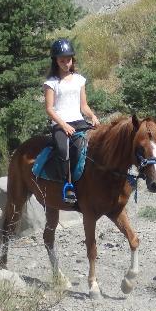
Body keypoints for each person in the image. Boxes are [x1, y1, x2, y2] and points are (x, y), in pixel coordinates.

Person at [44, 38, 99, 204]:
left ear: (72, 59)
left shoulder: (79, 79)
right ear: (56, 60)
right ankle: (67, 185)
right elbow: (49, 109)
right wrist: (63, 125)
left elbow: (84, 106)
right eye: (62, 60)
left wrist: (93, 116)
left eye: (68, 59)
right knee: (63, 149)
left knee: (97, 142)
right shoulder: (51, 83)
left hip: (78, 120)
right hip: (61, 123)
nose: (66, 63)